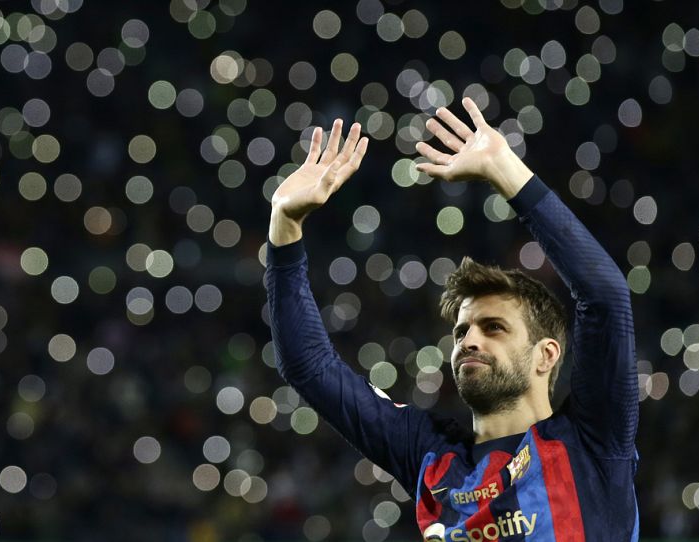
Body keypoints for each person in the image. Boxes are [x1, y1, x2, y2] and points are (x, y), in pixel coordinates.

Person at [265, 97, 639, 541]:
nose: (469, 341)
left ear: (546, 355)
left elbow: (605, 297)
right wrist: (284, 225)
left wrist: (505, 170)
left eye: (493, 327)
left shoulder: (593, 441)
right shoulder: (429, 456)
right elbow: (309, 365)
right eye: (462, 331)